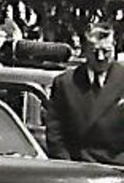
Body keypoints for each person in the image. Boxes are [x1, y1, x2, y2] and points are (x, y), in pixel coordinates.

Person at [47, 20, 124, 164]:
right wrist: (66, 166)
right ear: (84, 50)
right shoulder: (65, 83)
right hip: (76, 169)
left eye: (106, 52)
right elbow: (55, 135)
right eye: (94, 52)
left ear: (114, 47)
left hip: (117, 171)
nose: (100, 58)